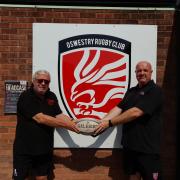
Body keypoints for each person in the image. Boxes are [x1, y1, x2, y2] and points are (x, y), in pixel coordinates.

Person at [94, 61, 163, 180]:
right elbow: (118, 108)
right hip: (130, 146)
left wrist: (109, 123)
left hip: (148, 149)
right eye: (139, 70)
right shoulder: (131, 91)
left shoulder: (155, 91)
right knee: (133, 177)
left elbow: (136, 112)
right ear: (135, 73)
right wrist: (100, 123)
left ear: (151, 72)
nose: (142, 73)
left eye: (145, 70)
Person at [12, 70, 79, 180]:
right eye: (40, 80)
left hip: (44, 149)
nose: (43, 83)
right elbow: (41, 118)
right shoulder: (26, 96)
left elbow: (58, 114)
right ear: (33, 81)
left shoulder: (51, 96)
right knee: (20, 178)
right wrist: (67, 125)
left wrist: (74, 122)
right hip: (24, 149)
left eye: (46, 81)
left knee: (42, 177)